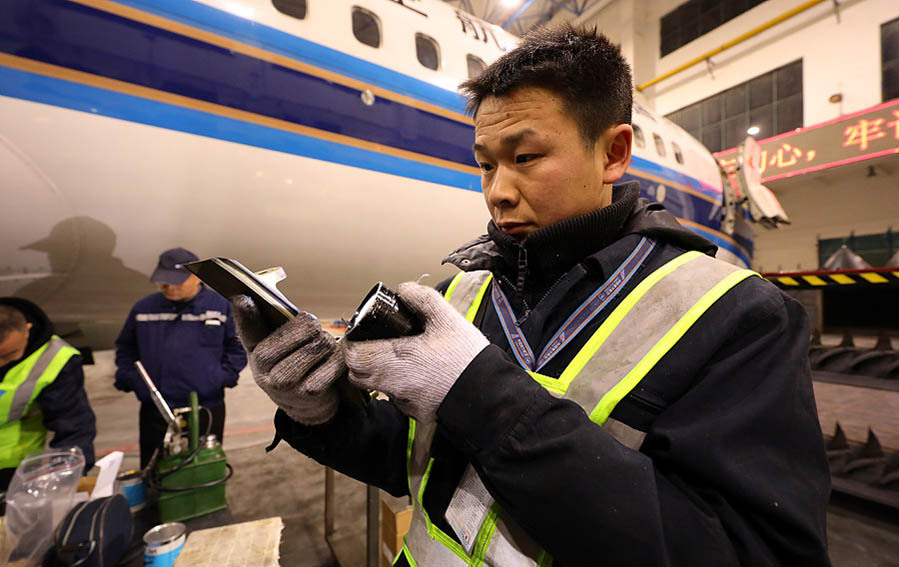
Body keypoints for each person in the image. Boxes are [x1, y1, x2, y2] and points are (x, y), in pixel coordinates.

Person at [231, 26, 830, 566]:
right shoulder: (460, 294)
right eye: (485, 165)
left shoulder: (739, 317)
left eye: (526, 158)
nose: (498, 192)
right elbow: (410, 462)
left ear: (614, 153)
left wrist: (475, 392)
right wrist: (322, 412)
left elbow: (750, 551)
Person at [114, 248, 247, 468]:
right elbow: (126, 349)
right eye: (164, 281)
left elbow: (237, 347)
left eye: (176, 281)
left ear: (196, 277)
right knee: (154, 470)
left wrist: (220, 378)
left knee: (204, 469)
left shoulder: (220, 308)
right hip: (156, 411)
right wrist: (135, 381)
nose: (169, 287)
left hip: (205, 409)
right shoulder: (143, 309)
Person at [0, 298, 96, 490]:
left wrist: (69, 476)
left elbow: (73, 425)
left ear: (28, 329)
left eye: (9, 355)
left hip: (13, 472)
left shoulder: (54, 361)